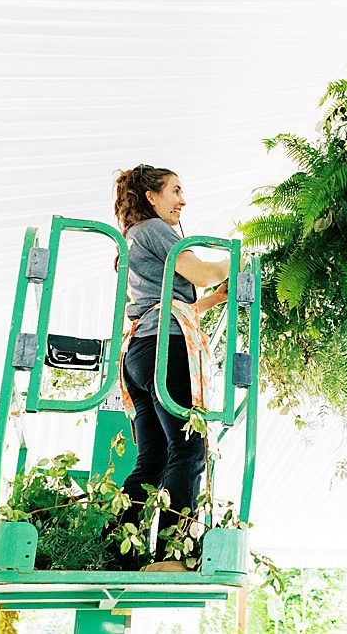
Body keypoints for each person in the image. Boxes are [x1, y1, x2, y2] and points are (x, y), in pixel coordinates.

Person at [112, 163, 231, 568]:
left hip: (140, 352)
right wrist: (239, 261)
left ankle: (117, 553)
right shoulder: (154, 229)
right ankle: (172, 552)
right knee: (188, 449)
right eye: (175, 191)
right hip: (166, 346)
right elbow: (198, 270)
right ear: (152, 198)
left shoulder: (132, 238)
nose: (183, 200)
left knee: (154, 459)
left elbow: (171, 303)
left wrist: (215, 299)